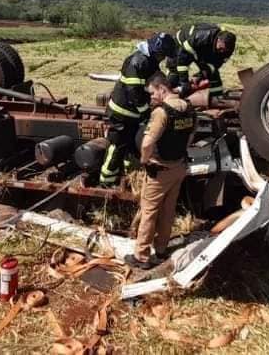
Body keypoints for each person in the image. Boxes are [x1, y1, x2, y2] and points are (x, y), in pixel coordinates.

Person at [124, 73, 197, 268]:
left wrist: (144, 160)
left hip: (160, 171)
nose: (151, 98)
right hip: (179, 167)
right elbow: (191, 135)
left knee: (149, 211)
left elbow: (148, 142)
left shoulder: (161, 112)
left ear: (162, 89)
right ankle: (162, 249)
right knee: (168, 210)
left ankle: (141, 256)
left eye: (152, 93)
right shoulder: (189, 108)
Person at [99, 32, 178, 187]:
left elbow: (156, 79)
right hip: (122, 112)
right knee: (117, 146)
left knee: (131, 145)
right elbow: (133, 92)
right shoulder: (137, 62)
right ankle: (106, 181)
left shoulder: (149, 61)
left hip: (133, 113)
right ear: (157, 51)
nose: (163, 59)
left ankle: (127, 177)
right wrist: (146, 113)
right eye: (163, 55)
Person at [166, 24, 236, 101]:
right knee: (175, 72)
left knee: (212, 73)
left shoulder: (228, 48)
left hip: (202, 49)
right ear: (218, 40)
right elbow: (182, 60)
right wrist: (184, 81)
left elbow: (215, 65)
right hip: (181, 44)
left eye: (224, 50)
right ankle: (169, 95)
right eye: (221, 48)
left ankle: (216, 98)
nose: (222, 51)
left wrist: (200, 75)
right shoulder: (201, 37)